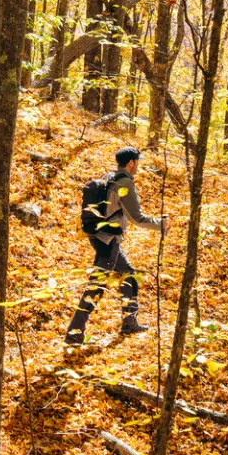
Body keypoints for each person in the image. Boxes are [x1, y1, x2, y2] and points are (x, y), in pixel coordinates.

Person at [66, 146, 165, 344]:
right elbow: (136, 217)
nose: (138, 165)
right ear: (131, 163)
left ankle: (130, 322)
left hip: (101, 237)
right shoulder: (124, 183)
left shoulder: (109, 177)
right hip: (107, 240)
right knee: (97, 286)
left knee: (129, 274)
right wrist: (161, 225)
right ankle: (74, 333)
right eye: (138, 162)